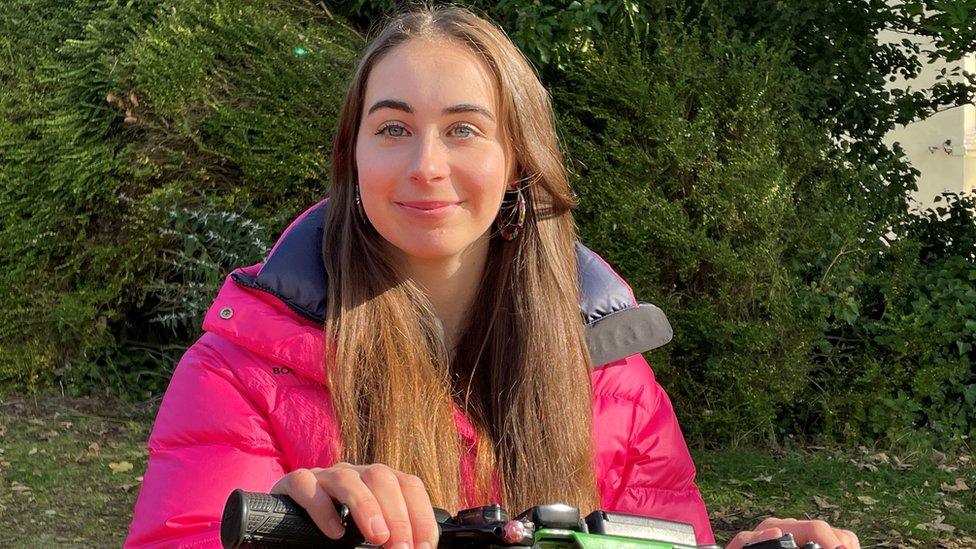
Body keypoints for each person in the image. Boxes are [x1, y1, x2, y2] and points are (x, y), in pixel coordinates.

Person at [125, 5, 859, 549]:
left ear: (518, 163)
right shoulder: (241, 368)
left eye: (465, 129)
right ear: (353, 158)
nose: (425, 165)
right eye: (392, 128)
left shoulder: (615, 378)